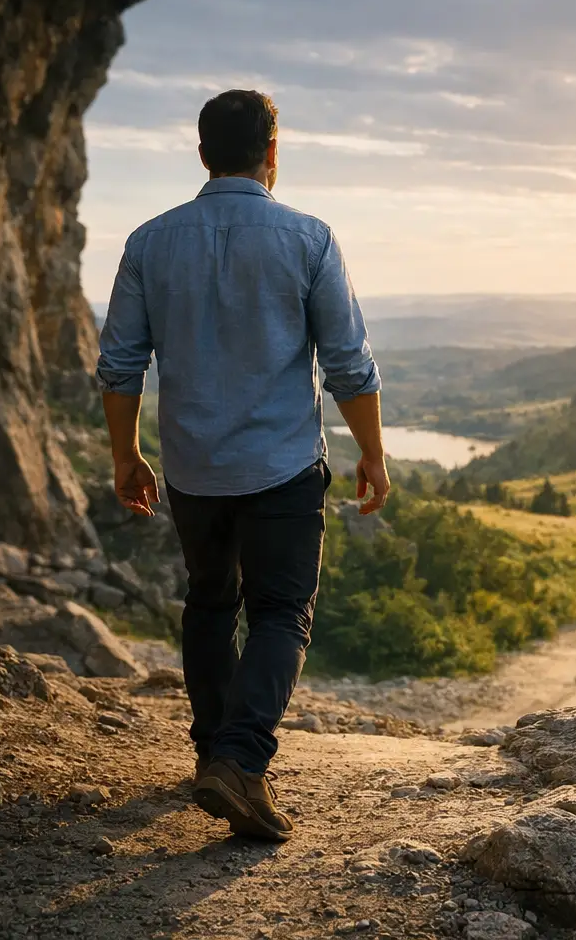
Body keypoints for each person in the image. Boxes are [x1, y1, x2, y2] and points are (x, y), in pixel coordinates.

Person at [94, 89, 388, 841]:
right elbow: (349, 367)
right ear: (272, 154)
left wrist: (126, 457)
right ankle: (240, 759)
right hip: (283, 467)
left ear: (202, 155)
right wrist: (373, 456)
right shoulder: (310, 239)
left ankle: (213, 755)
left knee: (210, 603)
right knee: (282, 611)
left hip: (192, 468)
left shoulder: (149, 242)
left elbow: (121, 366)